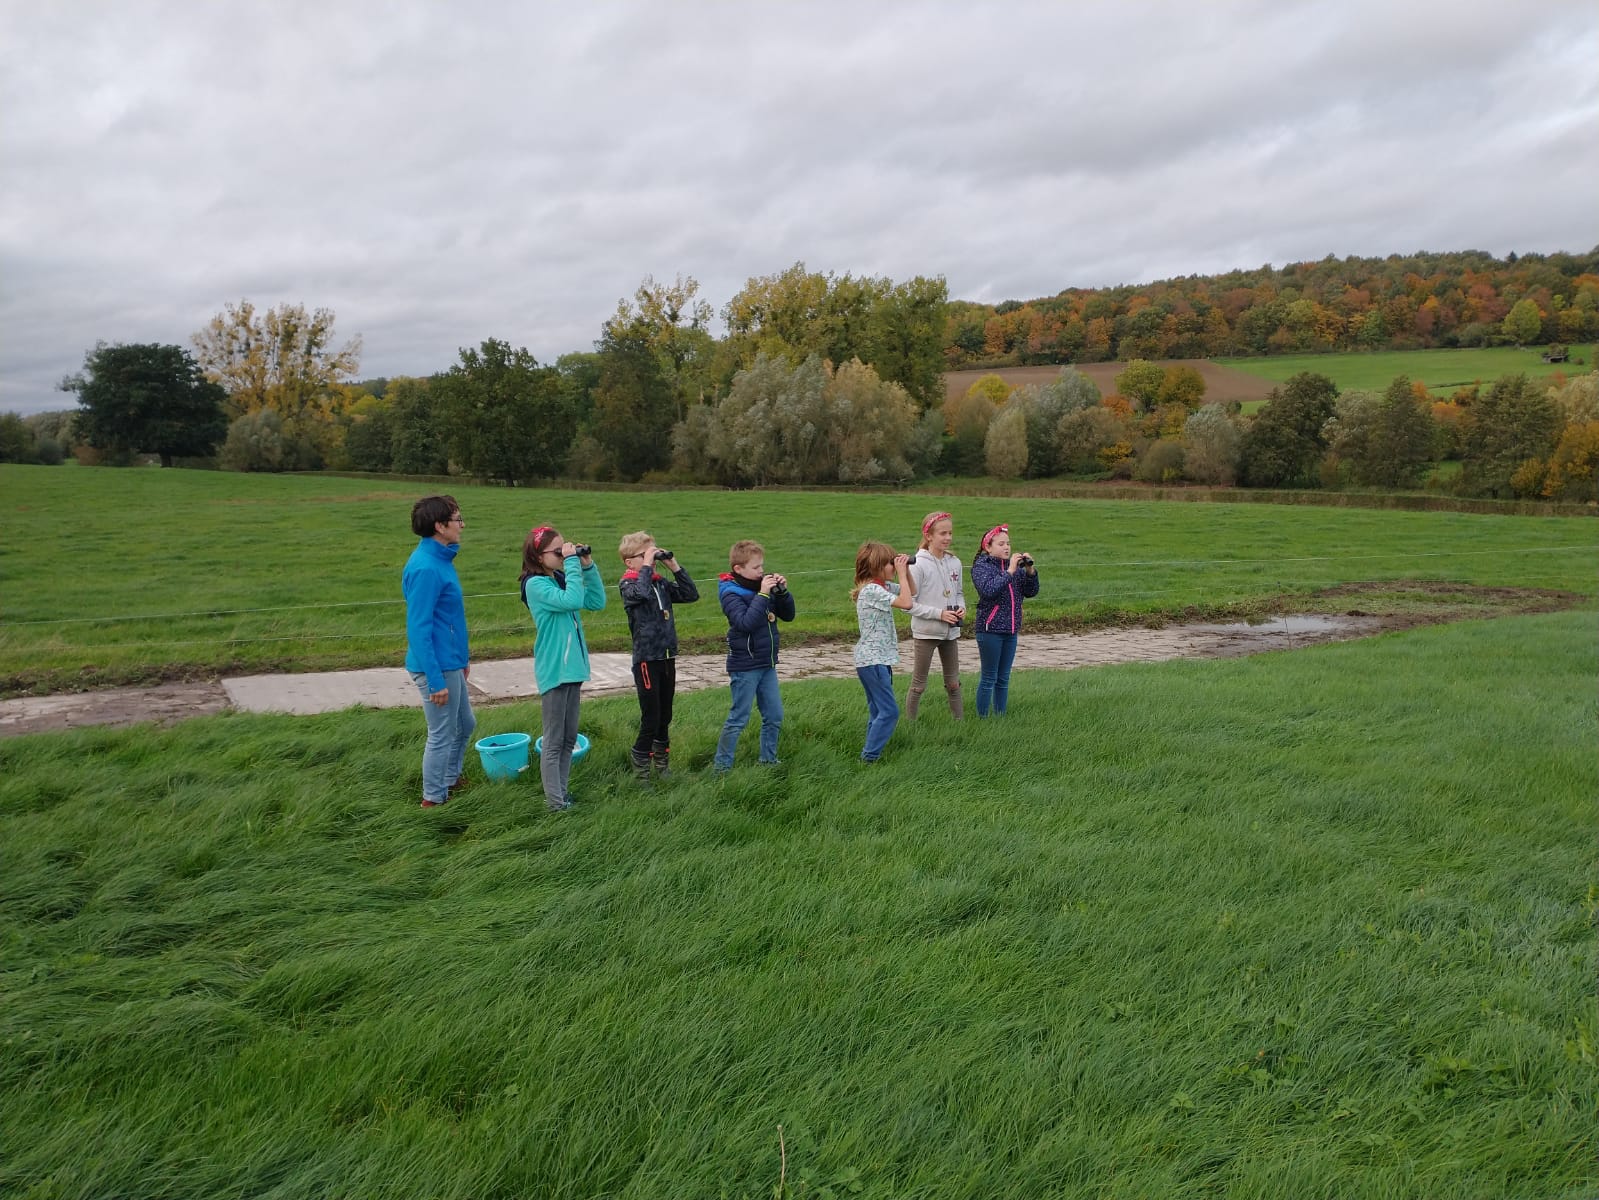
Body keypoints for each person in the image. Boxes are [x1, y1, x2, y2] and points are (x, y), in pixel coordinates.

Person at [520, 525, 606, 812]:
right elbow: (571, 600)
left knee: (569, 738)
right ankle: (554, 804)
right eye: (556, 552)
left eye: (564, 549)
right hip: (555, 670)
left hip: (573, 669)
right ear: (537, 556)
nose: (562, 554)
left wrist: (587, 566)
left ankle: (563, 796)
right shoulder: (535, 585)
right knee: (554, 741)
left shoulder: (558, 579)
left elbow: (595, 601)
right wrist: (571, 564)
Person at [402, 495, 475, 809]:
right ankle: (433, 799)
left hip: (450, 662)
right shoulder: (426, 568)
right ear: (439, 526)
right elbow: (420, 628)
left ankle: (449, 778)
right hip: (435, 666)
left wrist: (462, 660)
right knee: (442, 733)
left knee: (466, 724)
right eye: (457, 519)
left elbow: (449, 620)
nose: (462, 525)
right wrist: (435, 680)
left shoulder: (441, 560)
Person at [617, 530, 699, 784]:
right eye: (645, 555)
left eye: (653, 552)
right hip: (646, 659)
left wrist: (672, 565)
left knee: (666, 714)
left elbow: (690, 594)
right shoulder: (628, 584)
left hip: (666, 656)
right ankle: (641, 768)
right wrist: (647, 567)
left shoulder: (659, 583)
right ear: (630, 562)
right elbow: (640, 594)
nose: (650, 559)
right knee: (651, 716)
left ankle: (662, 765)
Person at [713, 539, 796, 771]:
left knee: (775, 715)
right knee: (739, 717)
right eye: (756, 568)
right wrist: (762, 595)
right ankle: (722, 766)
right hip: (745, 665)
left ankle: (768, 760)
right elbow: (745, 623)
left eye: (762, 566)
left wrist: (782, 593)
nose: (762, 571)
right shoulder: (731, 593)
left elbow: (788, 616)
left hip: (766, 663)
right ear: (738, 569)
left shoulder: (761, 589)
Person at [851, 542, 915, 762]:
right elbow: (906, 603)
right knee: (889, 712)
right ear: (876, 566)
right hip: (872, 659)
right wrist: (901, 573)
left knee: (878, 711)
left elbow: (912, 593)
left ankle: (869, 754)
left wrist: (905, 571)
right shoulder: (871, 590)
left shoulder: (883, 587)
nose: (893, 566)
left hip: (878, 659)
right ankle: (869, 757)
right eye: (889, 562)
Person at [970, 523, 1041, 717]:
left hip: (1011, 630)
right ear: (988, 547)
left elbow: (1031, 591)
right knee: (989, 677)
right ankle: (982, 718)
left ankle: (1000, 715)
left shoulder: (1017, 569)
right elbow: (989, 590)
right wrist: (1009, 571)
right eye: (1001, 544)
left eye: (1008, 543)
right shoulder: (981, 567)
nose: (1007, 547)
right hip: (990, 630)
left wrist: (1030, 572)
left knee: (1003, 678)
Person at [904, 511, 966, 720]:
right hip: (926, 632)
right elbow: (908, 605)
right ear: (928, 535)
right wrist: (939, 614)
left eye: (950, 533)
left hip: (950, 632)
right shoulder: (918, 564)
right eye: (942, 533)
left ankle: (960, 723)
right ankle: (909, 724)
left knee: (954, 683)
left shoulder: (955, 562)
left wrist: (961, 608)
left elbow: (958, 593)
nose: (948, 537)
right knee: (919, 685)